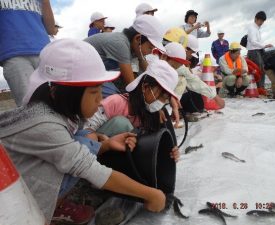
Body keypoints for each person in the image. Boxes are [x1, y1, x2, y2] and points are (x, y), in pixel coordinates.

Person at [0, 39, 166, 225]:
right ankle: (43, 210)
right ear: (63, 92)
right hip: (9, 200)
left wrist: (106, 144)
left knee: (83, 141)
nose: (100, 100)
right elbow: (90, 168)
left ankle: (56, 203)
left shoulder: (61, 112)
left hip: (21, 178)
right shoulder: (44, 125)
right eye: (94, 93)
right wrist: (149, 194)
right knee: (82, 151)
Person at [85, 15, 165, 97]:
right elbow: (132, 86)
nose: (150, 52)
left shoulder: (133, 46)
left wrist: (159, 84)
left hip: (95, 71)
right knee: (114, 97)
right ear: (137, 39)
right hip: (82, 70)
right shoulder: (121, 44)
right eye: (150, 47)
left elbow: (146, 69)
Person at [0, 0, 55, 106]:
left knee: (57, 101)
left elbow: (51, 29)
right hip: (14, 54)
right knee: (31, 107)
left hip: (45, 52)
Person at [160, 42, 224, 121]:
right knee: (182, 80)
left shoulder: (179, 66)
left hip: (166, 97)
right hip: (155, 98)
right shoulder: (155, 63)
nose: (191, 55)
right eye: (192, 52)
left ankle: (174, 109)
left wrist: (215, 96)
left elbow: (194, 81)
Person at [247, 11, 273, 95]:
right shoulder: (252, 28)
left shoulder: (257, 28)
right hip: (253, 52)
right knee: (258, 70)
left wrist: (263, 47)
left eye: (263, 21)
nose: (261, 22)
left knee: (260, 70)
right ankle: (260, 89)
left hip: (257, 51)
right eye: (260, 20)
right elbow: (253, 41)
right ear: (255, 19)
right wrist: (264, 45)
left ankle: (260, 88)